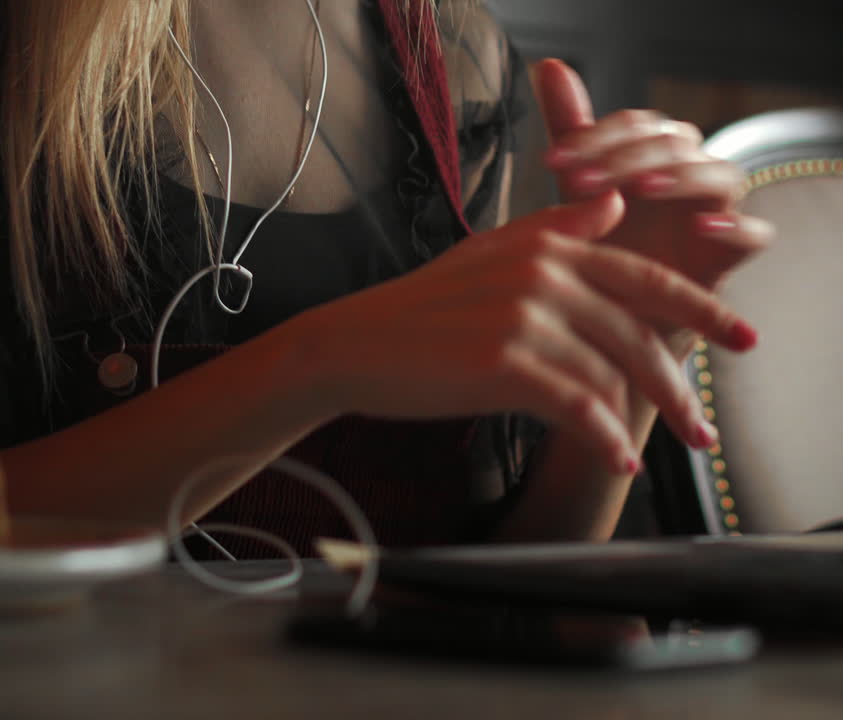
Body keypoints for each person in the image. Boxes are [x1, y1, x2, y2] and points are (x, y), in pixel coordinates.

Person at [0, 0, 772, 555]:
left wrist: (633, 341)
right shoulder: (28, 52)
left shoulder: (453, 52)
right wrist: (317, 364)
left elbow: (509, 577)